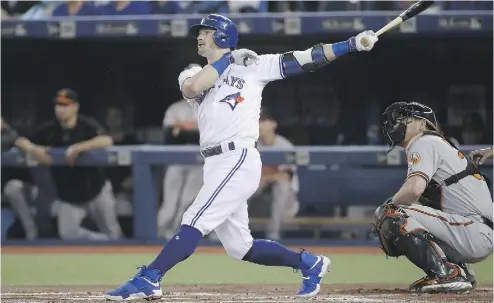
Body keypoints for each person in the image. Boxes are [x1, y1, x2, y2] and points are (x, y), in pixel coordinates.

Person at [105, 14, 378, 300]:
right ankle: (310, 263)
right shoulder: (192, 72)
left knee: (194, 218)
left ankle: (150, 277)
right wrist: (230, 59)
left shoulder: (254, 67)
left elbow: (306, 58)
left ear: (223, 35)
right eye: (200, 31)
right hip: (214, 163)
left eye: (207, 31)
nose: (200, 35)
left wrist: (352, 44)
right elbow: (193, 88)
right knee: (240, 247)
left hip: (238, 157)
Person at [373, 101, 492, 293]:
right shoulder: (436, 143)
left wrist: (387, 215)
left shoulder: (422, 141)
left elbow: (413, 189)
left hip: (472, 232)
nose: (397, 124)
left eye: (405, 119)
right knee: (417, 205)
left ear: (422, 123)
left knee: (391, 212)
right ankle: (458, 269)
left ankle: (446, 273)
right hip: (475, 231)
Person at [15, 89, 123, 240]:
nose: (61, 109)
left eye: (66, 105)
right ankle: (103, 241)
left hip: (96, 192)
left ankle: (110, 243)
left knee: (114, 235)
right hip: (70, 198)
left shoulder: (86, 124)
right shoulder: (50, 129)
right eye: (58, 105)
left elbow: (106, 140)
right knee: (68, 234)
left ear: (75, 107)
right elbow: (20, 140)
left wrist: (78, 147)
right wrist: (33, 149)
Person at [157, 86, 203, 240]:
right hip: (176, 159)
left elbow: (208, 135)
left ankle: (177, 235)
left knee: (187, 201)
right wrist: (193, 130)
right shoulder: (175, 109)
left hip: (200, 161)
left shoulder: (211, 106)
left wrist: (182, 128)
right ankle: (158, 236)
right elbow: (169, 136)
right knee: (169, 204)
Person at [249, 108, 299, 241]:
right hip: (256, 202)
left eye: (263, 121)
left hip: (283, 205)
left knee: (281, 185)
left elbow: (287, 177)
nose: (259, 125)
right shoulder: (249, 146)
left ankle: (273, 234)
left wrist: (266, 178)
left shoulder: (285, 146)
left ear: (273, 124)